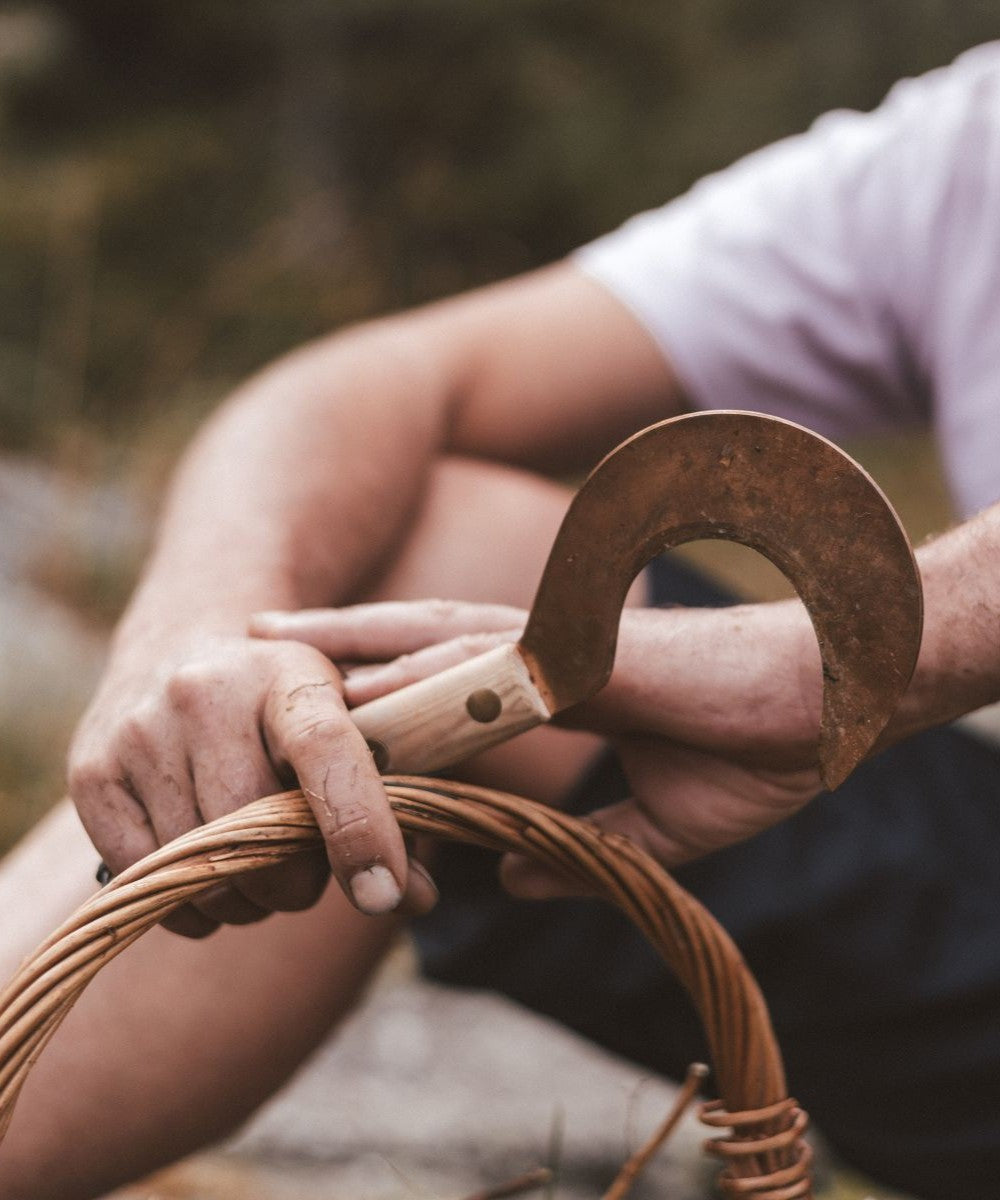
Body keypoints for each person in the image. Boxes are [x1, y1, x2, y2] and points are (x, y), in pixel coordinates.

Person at [1, 41, 1000, 1200]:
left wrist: (859, 654)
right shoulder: (963, 151)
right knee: (396, 582)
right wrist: (194, 630)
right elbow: (373, 387)